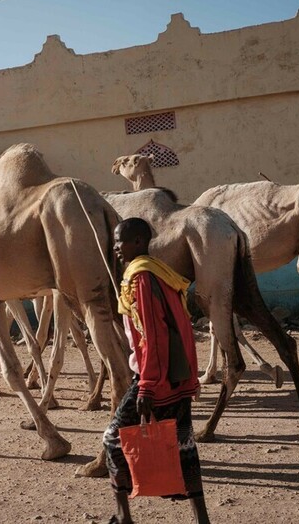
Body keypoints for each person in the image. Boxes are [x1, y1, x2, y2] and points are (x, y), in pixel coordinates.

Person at [103, 217, 210, 524]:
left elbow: (154, 334)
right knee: (184, 446)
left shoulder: (142, 279)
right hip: (176, 376)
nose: (116, 247)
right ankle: (202, 519)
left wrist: (147, 384)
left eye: (120, 241)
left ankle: (123, 516)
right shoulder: (158, 272)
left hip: (155, 378)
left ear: (138, 241)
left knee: (113, 438)